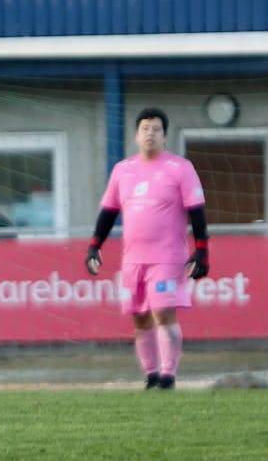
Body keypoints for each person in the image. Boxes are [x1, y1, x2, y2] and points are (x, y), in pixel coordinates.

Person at [85, 107, 209, 390]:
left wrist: (202, 248)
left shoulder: (180, 168)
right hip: (133, 261)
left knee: (164, 312)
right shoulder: (123, 170)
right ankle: (151, 376)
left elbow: (197, 210)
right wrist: (94, 245)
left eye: (156, 129)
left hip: (167, 258)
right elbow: (108, 211)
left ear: (165, 137)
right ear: (136, 135)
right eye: (145, 128)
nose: (150, 134)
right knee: (140, 319)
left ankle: (168, 376)